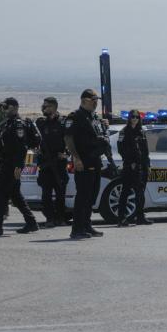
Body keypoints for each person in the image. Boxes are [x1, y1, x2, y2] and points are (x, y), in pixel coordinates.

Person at [0, 98, 39, 236]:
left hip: (12, 165)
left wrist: (19, 166)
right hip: (8, 163)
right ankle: (31, 223)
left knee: (1, 193)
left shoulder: (18, 125)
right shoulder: (9, 123)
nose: (4, 110)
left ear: (14, 107)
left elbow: (21, 148)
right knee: (15, 195)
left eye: (6, 107)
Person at [64, 89, 109, 239]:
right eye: (93, 100)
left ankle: (86, 225)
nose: (96, 103)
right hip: (82, 161)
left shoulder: (94, 117)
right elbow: (69, 139)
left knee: (92, 195)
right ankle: (76, 229)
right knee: (83, 195)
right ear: (84, 101)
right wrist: (76, 158)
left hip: (94, 160)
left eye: (97, 100)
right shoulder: (75, 117)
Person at [35, 97, 70, 227]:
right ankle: (49, 218)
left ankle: (60, 218)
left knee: (61, 193)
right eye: (43, 106)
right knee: (46, 194)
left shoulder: (63, 122)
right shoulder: (41, 123)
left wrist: (67, 153)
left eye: (47, 106)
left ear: (54, 107)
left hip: (59, 163)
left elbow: (71, 139)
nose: (44, 108)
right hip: (45, 164)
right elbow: (33, 138)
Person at [116, 109, 152, 226]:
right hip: (129, 167)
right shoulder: (124, 132)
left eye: (137, 117)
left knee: (140, 193)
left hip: (142, 167)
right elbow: (121, 149)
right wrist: (130, 162)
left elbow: (145, 151)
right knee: (125, 192)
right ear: (129, 118)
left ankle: (140, 217)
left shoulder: (141, 131)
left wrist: (148, 164)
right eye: (133, 117)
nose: (135, 119)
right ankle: (121, 218)